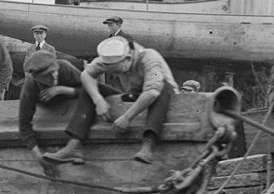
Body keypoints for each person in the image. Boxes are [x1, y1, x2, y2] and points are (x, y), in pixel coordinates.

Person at [43, 37, 179, 165]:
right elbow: (86, 75)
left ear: (128, 58)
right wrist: (98, 101)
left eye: (116, 69)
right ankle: (74, 146)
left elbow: (152, 92)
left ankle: (148, 145)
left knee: (160, 87)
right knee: (88, 89)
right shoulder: (109, 59)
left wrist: (127, 117)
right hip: (133, 96)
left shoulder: (149, 57)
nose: (114, 73)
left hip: (164, 101)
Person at [19, 51, 120, 168]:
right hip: (61, 118)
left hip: (83, 111)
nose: (54, 76)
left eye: (54, 71)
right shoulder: (30, 87)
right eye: (47, 75)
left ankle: (73, 147)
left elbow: (90, 88)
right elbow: (24, 125)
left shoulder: (64, 67)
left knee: (94, 89)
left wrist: (62, 90)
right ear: (36, 78)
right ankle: (74, 148)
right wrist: (39, 157)